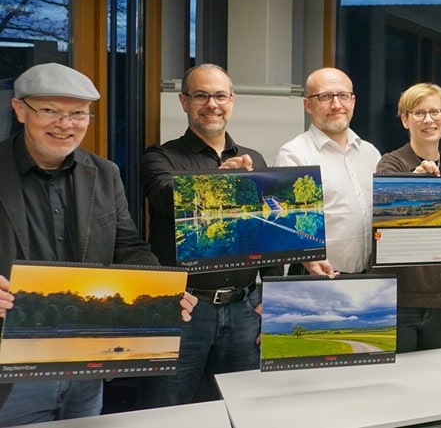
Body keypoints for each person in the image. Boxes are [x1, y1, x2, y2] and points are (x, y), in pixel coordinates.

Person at [0, 63, 197, 425]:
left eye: (77, 113)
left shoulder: (104, 174)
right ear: (19, 110)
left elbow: (128, 247)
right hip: (10, 368)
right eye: (49, 111)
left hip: (87, 361)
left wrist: (163, 290)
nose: (65, 124)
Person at [142, 63, 281, 406]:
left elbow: (269, 234)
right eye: (201, 95)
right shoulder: (160, 158)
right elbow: (165, 197)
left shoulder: (256, 159)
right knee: (165, 410)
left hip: (244, 308)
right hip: (184, 310)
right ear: (184, 101)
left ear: (232, 100)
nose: (211, 104)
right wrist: (219, 182)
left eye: (220, 95)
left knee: (242, 410)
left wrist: (274, 300)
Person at [376, 83, 441, 352]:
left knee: (438, 385)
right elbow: (388, 222)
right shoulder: (390, 164)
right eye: (418, 113)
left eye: (435, 112)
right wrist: (415, 181)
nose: (429, 120)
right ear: (405, 120)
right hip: (401, 301)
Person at [275, 67, 381, 276]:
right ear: (308, 105)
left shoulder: (371, 154)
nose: (336, 105)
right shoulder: (295, 155)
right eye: (325, 97)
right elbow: (288, 222)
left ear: (353, 101)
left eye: (343, 96)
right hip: (318, 277)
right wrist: (309, 259)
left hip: (370, 278)